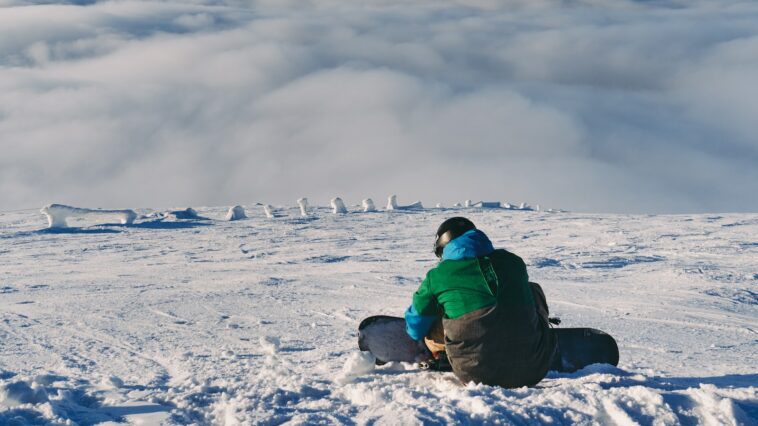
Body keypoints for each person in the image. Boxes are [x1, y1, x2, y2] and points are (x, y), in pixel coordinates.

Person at [404, 217, 557, 388]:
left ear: (445, 246)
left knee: (435, 308)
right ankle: (530, 333)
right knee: (532, 289)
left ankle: (442, 352)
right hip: (534, 369)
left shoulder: (437, 276)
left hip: (474, 374)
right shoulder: (514, 262)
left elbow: (416, 328)